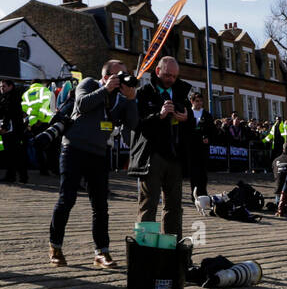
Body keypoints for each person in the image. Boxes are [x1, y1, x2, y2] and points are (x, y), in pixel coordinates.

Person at [49, 60, 138, 267]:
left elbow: (132, 125)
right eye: (120, 75)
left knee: (100, 205)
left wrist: (132, 100)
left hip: (99, 154)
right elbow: (81, 105)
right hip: (73, 148)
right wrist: (105, 90)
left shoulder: (121, 100)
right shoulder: (89, 83)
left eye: (126, 75)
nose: (124, 79)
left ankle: (101, 252)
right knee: (67, 199)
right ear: (107, 76)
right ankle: (56, 246)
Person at [128, 57, 192, 237]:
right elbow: (136, 124)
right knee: (148, 204)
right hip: (152, 156)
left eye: (174, 76)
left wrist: (186, 119)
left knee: (174, 207)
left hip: (175, 156)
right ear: (157, 72)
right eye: (167, 74)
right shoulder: (143, 93)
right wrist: (160, 115)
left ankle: (172, 248)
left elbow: (191, 125)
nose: (171, 79)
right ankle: (145, 247)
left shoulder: (181, 94)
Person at [1, 78, 30, 184]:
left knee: (15, 154)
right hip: (14, 129)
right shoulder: (9, 96)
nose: (2, 88)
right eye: (1, 86)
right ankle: (14, 176)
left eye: (4, 86)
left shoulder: (11, 98)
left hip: (13, 130)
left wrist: (4, 127)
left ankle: (19, 176)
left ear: (10, 86)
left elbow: (8, 114)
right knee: (13, 154)